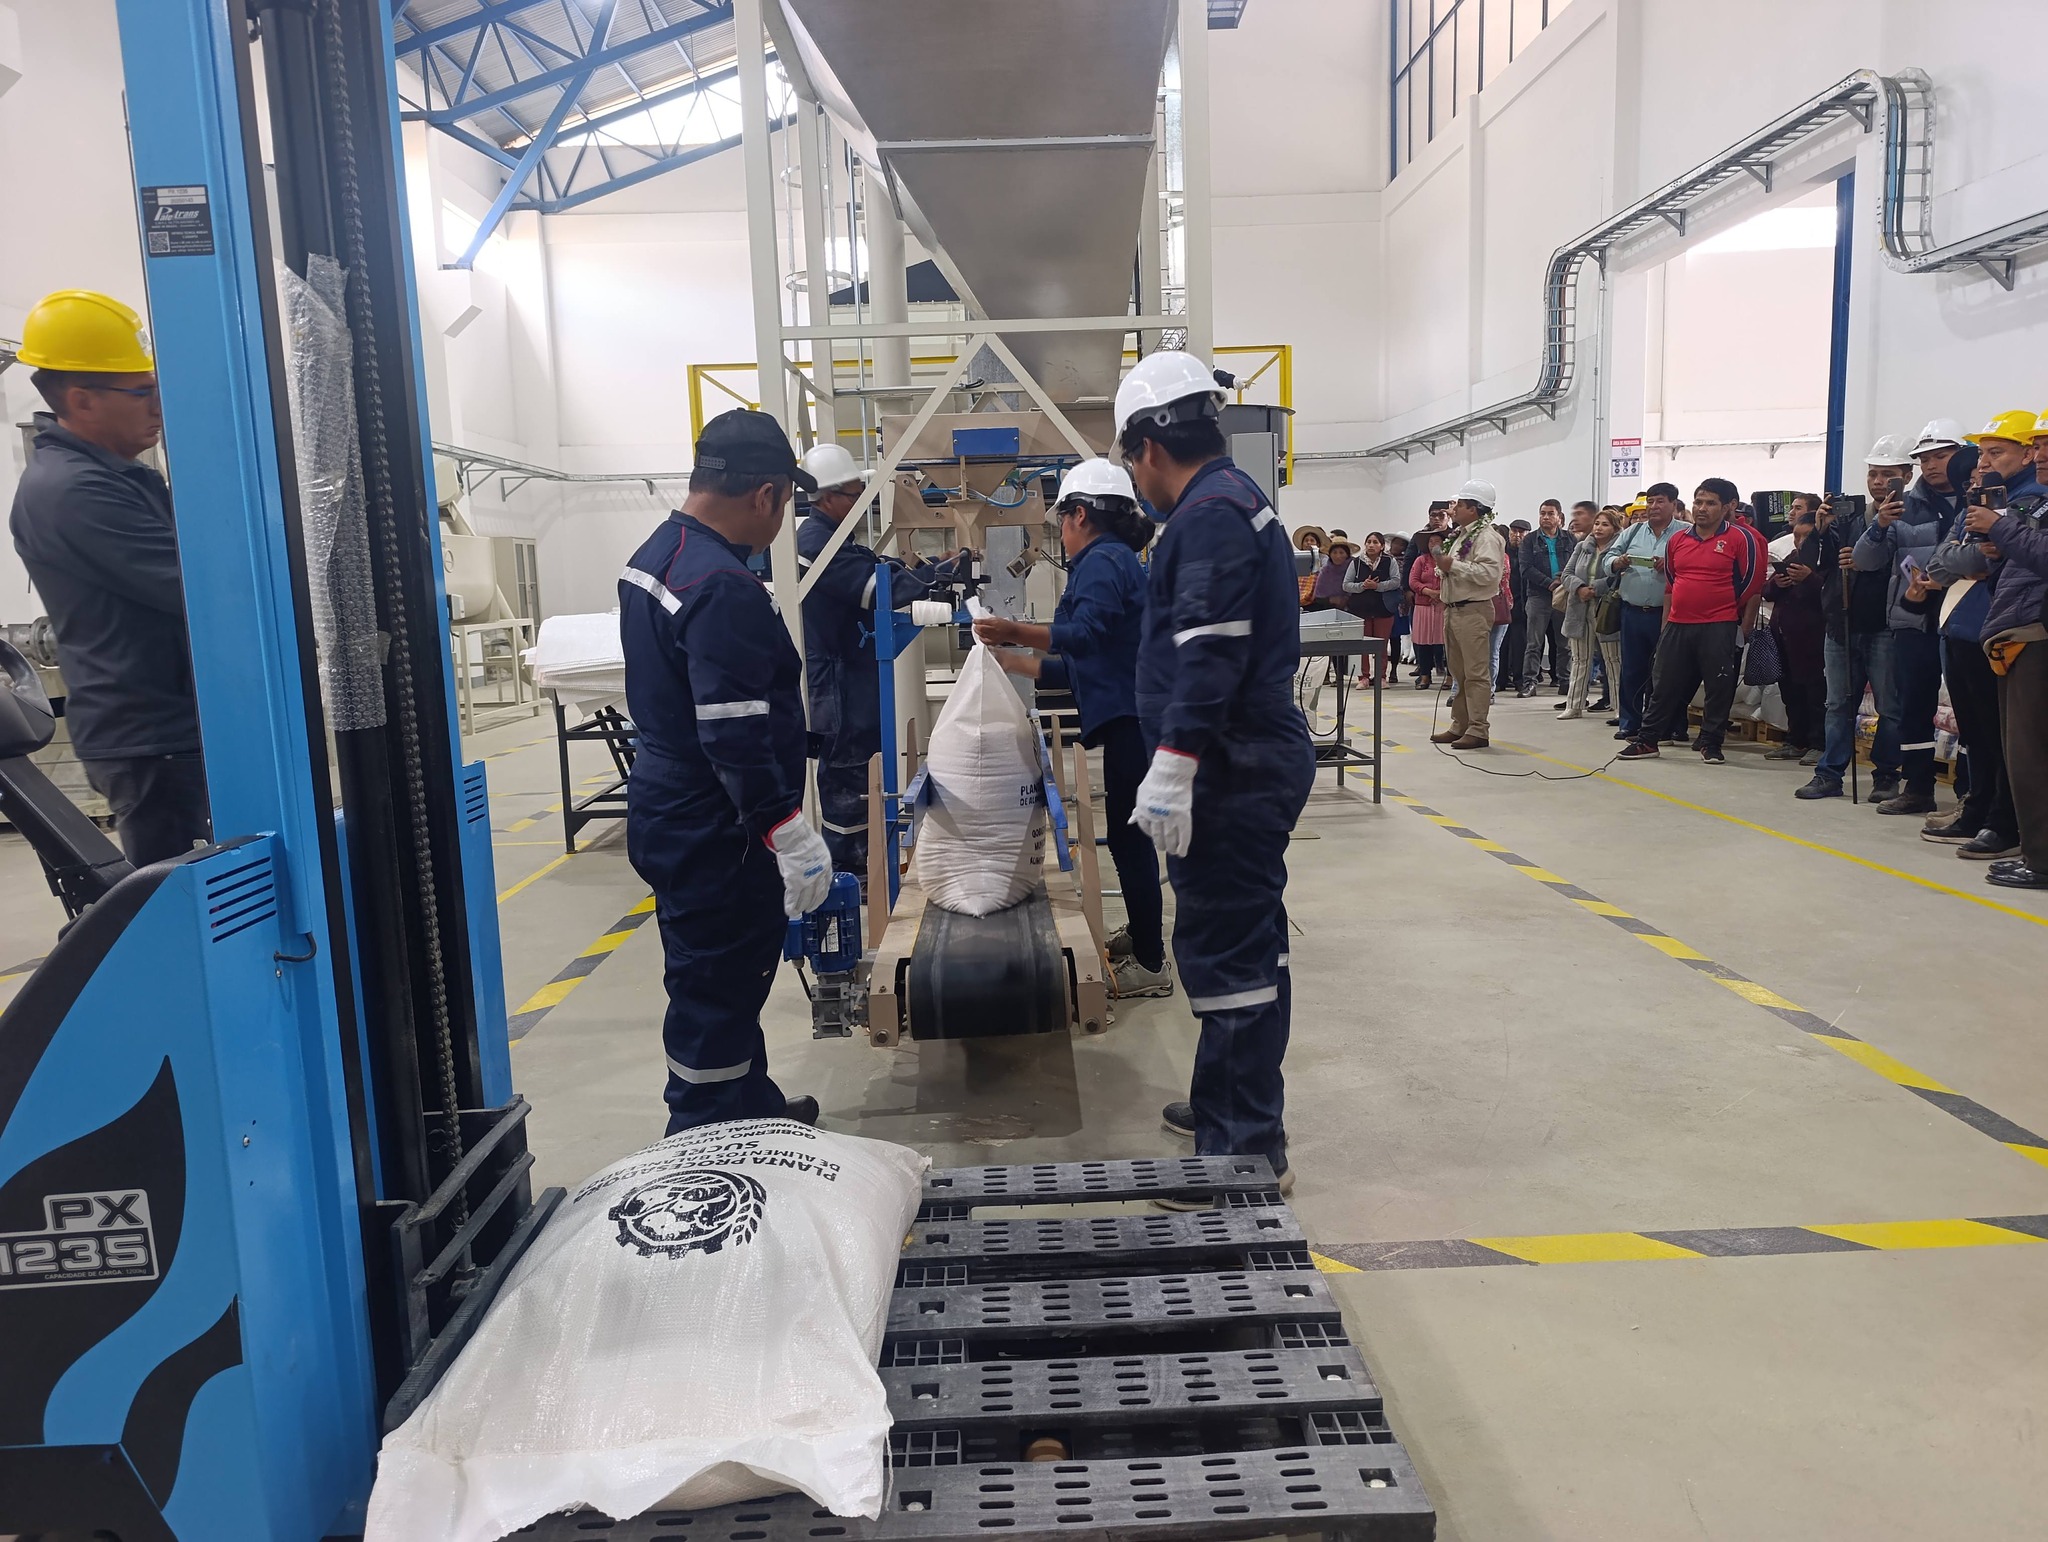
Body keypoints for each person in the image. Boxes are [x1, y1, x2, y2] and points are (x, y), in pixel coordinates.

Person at [1114, 351, 1313, 1193]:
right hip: (1241, 756)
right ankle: (1230, 1101)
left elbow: (1210, 656)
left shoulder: (1209, 517)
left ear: (1149, 449)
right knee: (1244, 942)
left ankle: (1242, 1151)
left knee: (1227, 952)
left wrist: (1172, 765)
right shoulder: (1228, 501)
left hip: (1231, 765)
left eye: (1131, 463)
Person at [619, 408, 831, 1135]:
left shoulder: (657, 556)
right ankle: (702, 1138)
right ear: (766, 495)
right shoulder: (721, 585)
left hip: (669, 806)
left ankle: (751, 1110)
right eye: (786, 504)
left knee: (733, 977)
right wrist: (787, 829)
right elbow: (734, 735)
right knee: (715, 985)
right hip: (715, 824)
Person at [8, 291, 211, 868]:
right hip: (150, 735)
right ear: (81, 399)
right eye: (142, 392)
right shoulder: (75, 491)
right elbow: (196, 589)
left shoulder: (113, 477)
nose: (158, 407)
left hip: (170, 723)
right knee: (184, 910)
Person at [973, 459, 1169, 998]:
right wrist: (1015, 661)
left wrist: (1012, 628)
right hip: (1132, 712)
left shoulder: (1103, 561)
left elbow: (1083, 635)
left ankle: (1152, 965)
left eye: (1061, 519)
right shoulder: (1111, 561)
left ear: (1080, 514)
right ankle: (1146, 939)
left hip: (1136, 718)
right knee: (1131, 838)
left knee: (1131, 840)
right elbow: (1090, 658)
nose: (1059, 530)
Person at [794, 441, 971, 876]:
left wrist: (932, 567)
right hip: (838, 681)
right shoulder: (816, 543)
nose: (860, 504)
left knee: (865, 766)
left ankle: (867, 859)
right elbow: (875, 589)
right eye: (855, 495)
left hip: (855, 674)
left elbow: (880, 567)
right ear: (829, 496)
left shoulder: (835, 537)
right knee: (849, 771)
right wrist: (942, 575)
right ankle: (849, 870)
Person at [1918, 411, 2041, 858]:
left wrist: (1985, 546)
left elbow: (1988, 560)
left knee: (2007, 739)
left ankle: (2005, 824)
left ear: (2026, 453)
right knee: (1979, 736)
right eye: (1982, 455)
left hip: (2008, 629)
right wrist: (1973, 551)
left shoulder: (2031, 498)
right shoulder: (1985, 497)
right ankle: (1983, 811)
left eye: (1996, 453)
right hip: (1966, 627)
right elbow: (1943, 559)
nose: (1985, 464)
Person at [1855, 419, 1974, 816]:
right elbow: (1864, 562)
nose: (1933, 465)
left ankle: (1970, 792)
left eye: (1941, 456)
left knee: (1971, 708)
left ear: (1961, 456)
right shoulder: (1901, 504)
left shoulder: (1980, 499)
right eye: (1925, 458)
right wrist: (1879, 526)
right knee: (1913, 705)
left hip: (1966, 617)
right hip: (1913, 619)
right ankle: (1918, 787)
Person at [1619, 478, 1767, 763]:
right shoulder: (1678, 539)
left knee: (1718, 686)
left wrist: (1723, 607)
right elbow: (1673, 579)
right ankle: (1648, 740)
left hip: (1719, 624)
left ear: (1727, 507)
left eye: (1710, 503)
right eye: (1698, 502)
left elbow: (1751, 582)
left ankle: (1711, 743)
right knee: (1663, 684)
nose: (1701, 509)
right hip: (1678, 623)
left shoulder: (1740, 539)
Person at [1797, 438, 1911, 800]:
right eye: (1873, 473)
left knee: (1888, 707)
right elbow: (1817, 563)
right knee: (1837, 704)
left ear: (1906, 476)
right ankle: (1830, 773)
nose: (1878, 481)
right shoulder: (1847, 516)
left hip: (1885, 625)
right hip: (1841, 621)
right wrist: (1820, 528)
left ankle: (1886, 776)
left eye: (1887, 474)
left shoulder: (1911, 515)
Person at [1965, 409, 2048, 888]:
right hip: (2022, 634)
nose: (2040, 456)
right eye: (2037, 446)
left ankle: (2042, 861)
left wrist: (2001, 529)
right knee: (2026, 754)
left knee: (2032, 755)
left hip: (2037, 638)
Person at [1427, 482, 1508, 751]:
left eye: (1459, 504)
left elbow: (1489, 574)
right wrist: (1443, 567)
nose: (1453, 509)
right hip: (1453, 610)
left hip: (1473, 609)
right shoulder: (1461, 536)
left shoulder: (1487, 537)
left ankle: (1478, 729)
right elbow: (1455, 566)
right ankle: (1460, 724)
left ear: (1473, 509)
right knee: (1459, 673)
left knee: (1475, 673)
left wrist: (1454, 566)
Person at [1604, 484, 1681, 742]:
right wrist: (1618, 562)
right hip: (1633, 612)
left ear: (1673, 504)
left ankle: (1667, 725)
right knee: (1632, 670)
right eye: (1650, 501)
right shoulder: (1633, 531)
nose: (1653, 506)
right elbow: (1608, 558)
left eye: (1660, 501)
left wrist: (1669, 566)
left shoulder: (1685, 532)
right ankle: (1630, 723)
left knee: (1667, 673)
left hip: (1668, 615)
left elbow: (1691, 565)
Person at [1764, 495, 1829, 763]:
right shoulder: (1792, 556)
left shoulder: (1828, 561)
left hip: (1813, 640)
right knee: (1790, 692)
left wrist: (1809, 579)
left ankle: (1818, 742)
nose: (1800, 542)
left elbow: (1830, 595)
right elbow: (1766, 591)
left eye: (1806, 536)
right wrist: (1777, 583)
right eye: (1797, 536)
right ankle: (1795, 739)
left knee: (1814, 693)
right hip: (1784, 638)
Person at [1557, 506, 1621, 720]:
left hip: (1606, 609)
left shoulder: (1619, 548)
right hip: (1580, 608)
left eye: (1605, 524)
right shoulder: (1583, 546)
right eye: (1597, 523)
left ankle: (1620, 708)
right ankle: (1574, 705)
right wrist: (1580, 587)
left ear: (1615, 528)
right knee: (1579, 659)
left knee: (1613, 660)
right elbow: (1566, 574)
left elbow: (1619, 575)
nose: (1599, 528)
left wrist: (1597, 588)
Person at [1516, 499, 1575, 695]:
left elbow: (1575, 563)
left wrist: (1561, 581)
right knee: (1533, 643)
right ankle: (1530, 682)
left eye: (1550, 514)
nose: (1546, 517)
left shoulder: (1570, 539)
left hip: (1563, 595)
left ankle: (1565, 682)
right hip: (1538, 596)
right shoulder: (1530, 540)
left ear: (1559, 517)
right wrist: (1549, 583)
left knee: (1564, 643)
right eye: (1542, 513)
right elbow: (1526, 569)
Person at [1341, 532, 1402, 683]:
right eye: (1368, 542)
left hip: (1383, 608)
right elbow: (1346, 585)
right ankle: (1363, 677)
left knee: (1381, 645)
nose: (1371, 545)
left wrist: (1378, 586)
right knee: (1363, 645)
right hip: (1361, 609)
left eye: (1375, 542)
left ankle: (1381, 677)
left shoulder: (1390, 561)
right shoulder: (1356, 562)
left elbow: (1396, 581)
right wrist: (1362, 586)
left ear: (1382, 546)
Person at [1406, 530, 1447, 689]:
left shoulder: (1449, 560)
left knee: (1446, 643)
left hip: (1444, 605)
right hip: (1423, 605)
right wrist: (1428, 591)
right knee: (1423, 643)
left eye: (1438, 541)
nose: (1434, 545)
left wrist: (1441, 594)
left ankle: (1449, 677)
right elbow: (1413, 581)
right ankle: (1425, 676)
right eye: (1431, 542)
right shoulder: (1421, 560)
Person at [1499, 518, 1532, 690]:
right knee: (1501, 645)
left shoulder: (1530, 552)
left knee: (1521, 645)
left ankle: (1520, 680)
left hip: (1522, 605)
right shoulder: (1501, 552)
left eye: (1521, 532)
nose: (1517, 535)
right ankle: (1500, 680)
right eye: (1513, 531)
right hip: (1503, 605)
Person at [1386, 533, 1411, 680]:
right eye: (1396, 543)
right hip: (1382, 601)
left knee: (1395, 638)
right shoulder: (1384, 559)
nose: (1397, 546)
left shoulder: (1407, 562)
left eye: (1401, 544)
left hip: (1400, 604)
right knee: (1381, 639)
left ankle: (1394, 670)